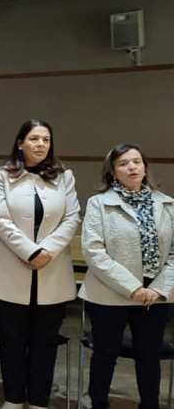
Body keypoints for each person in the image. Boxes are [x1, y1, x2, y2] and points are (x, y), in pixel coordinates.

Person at [0, 119, 80, 409]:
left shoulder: (64, 177)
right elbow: (0, 219)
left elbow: (72, 217)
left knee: (45, 342)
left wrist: (47, 250)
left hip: (53, 271)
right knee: (11, 340)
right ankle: (13, 399)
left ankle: (39, 401)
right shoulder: (0, 175)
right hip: (11, 271)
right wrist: (30, 252)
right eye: (34, 139)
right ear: (20, 143)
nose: (41, 144)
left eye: (46, 140)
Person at [79, 144, 174, 409]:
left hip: (155, 294)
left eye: (136, 161)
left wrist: (158, 288)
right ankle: (98, 403)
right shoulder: (99, 203)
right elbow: (93, 251)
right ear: (112, 172)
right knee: (105, 354)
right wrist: (133, 288)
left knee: (149, 357)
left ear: (145, 167)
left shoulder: (167, 204)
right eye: (123, 163)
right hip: (110, 293)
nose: (132, 167)